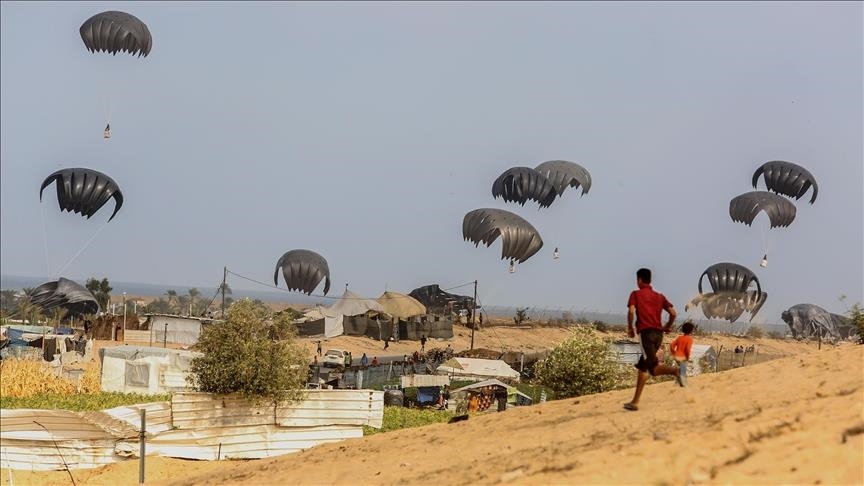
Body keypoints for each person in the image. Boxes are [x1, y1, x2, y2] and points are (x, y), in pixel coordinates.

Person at [624, 268, 683, 412]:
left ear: (639, 280)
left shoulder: (636, 294)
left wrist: (630, 328)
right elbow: (673, 313)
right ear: (649, 280)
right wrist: (667, 326)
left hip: (646, 334)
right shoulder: (659, 296)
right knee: (643, 368)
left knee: (654, 369)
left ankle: (676, 371)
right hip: (658, 334)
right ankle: (635, 401)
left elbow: (631, 311)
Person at [669, 321, 695, 387]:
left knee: (680, 371)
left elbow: (671, 345)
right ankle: (683, 386)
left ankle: (677, 384)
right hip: (683, 357)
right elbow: (687, 349)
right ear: (691, 330)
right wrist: (688, 357)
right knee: (683, 372)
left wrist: (674, 353)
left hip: (676, 356)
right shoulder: (689, 339)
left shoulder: (679, 338)